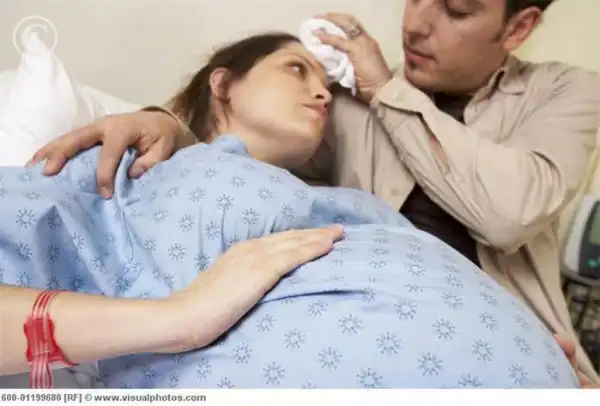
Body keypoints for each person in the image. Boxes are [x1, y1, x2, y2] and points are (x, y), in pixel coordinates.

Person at [0, 32, 582, 389]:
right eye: (295, 69)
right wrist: (179, 317)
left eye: (327, 81)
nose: (323, 92)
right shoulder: (130, 163)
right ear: (223, 85)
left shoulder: (339, 199)